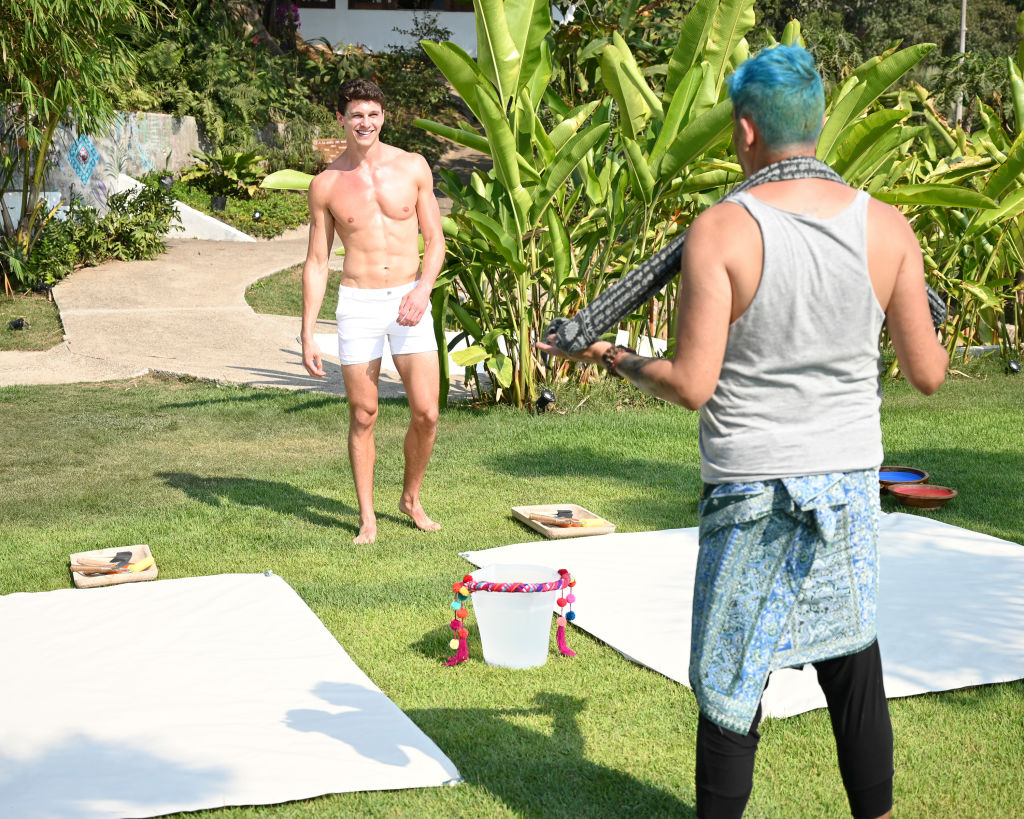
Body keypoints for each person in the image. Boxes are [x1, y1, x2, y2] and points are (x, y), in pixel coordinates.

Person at [538, 46, 948, 819]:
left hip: (754, 488)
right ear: (817, 124)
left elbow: (691, 383)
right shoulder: (886, 226)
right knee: (852, 661)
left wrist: (613, 355)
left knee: (731, 678)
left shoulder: (723, 229)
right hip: (848, 490)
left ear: (748, 130)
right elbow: (928, 372)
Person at [301, 77, 446, 545]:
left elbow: (435, 240)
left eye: (373, 114)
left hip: (409, 299)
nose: (365, 123)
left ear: (384, 117)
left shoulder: (412, 166)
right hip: (359, 304)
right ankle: (367, 518)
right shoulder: (326, 185)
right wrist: (308, 333)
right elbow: (317, 261)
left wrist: (423, 290)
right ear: (341, 119)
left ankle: (410, 498)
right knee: (364, 414)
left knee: (427, 413)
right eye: (356, 115)